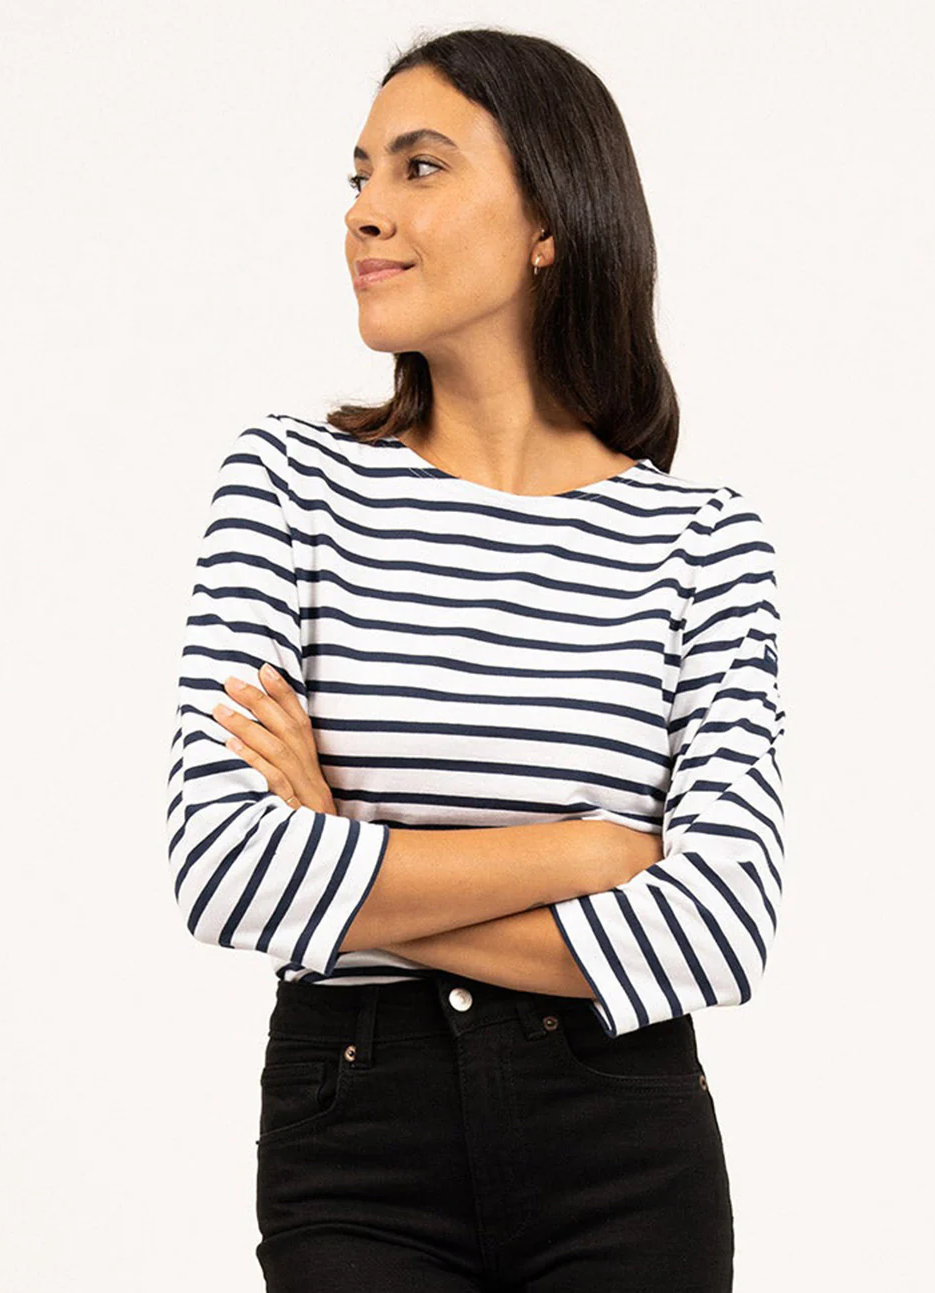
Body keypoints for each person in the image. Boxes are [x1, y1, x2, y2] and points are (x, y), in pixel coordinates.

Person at [166, 27, 786, 1293]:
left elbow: (719, 928)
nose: (364, 212)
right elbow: (222, 867)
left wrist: (339, 852)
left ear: (550, 221)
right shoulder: (288, 484)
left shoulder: (700, 540)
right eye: (358, 177)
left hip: (624, 1152)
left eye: (420, 167)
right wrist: (591, 853)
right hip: (358, 1141)